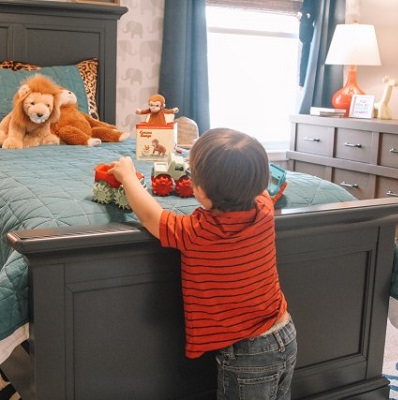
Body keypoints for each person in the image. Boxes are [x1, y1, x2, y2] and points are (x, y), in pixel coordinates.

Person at [109, 128, 297, 399]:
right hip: (285, 332)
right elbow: (262, 189)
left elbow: (152, 216)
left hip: (247, 355)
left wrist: (128, 176)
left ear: (202, 193)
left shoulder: (197, 231)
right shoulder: (264, 209)